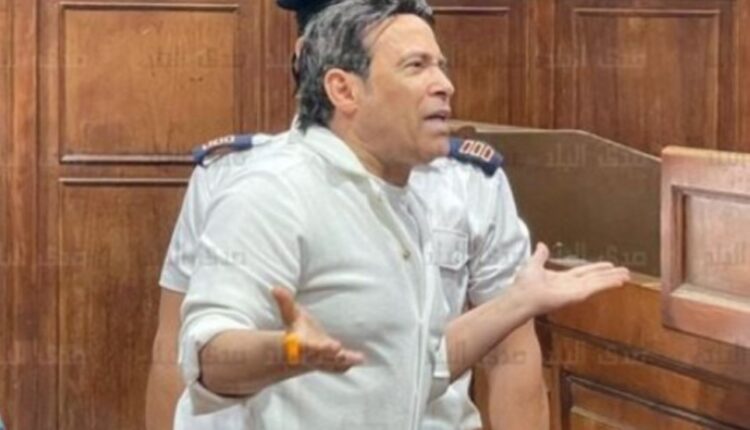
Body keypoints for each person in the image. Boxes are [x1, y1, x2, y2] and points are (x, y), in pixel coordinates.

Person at [146, 0, 629, 429]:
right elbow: (206, 357)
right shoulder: (270, 190)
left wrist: (518, 302)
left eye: (440, 66)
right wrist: (287, 351)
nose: (445, 85)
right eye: (416, 66)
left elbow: (416, 368)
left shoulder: (402, 195)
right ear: (343, 90)